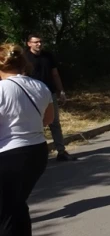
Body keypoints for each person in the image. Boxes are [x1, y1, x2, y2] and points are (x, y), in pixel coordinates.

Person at [0, 43, 54, 236]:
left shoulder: (1, 90)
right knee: (17, 203)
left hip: (9, 155)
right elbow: (48, 119)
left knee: (3, 211)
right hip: (37, 152)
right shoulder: (40, 86)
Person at [24, 34, 74, 162]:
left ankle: (61, 151)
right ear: (29, 43)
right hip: (31, 95)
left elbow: (55, 74)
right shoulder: (24, 57)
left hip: (49, 94)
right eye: (36, 42)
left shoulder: (48, 56)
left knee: (54, 122)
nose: (39, 44)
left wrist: (61, 91)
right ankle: (34, 156)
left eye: (40, 42)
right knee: (34, 125)